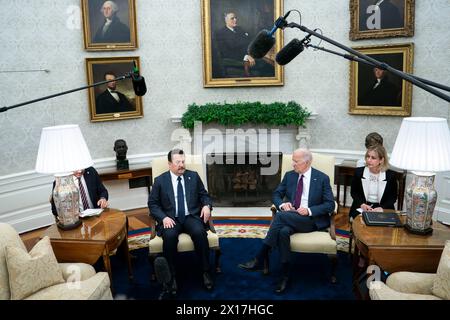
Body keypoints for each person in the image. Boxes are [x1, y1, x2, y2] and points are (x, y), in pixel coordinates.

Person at [239, 148, 335, 293]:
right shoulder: (290, 176)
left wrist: (309, 210)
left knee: (280, 216)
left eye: (296, 161)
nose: (293, 164)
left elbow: (330, 205)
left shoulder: (322, 178)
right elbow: (276, 194)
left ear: (307, 162)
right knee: (283, 232)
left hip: (311, 220)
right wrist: (282, 204)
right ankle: (285, 276)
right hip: (291, 217)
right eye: (292, 161)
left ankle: (260, 256)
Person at [148, 149, 214, 294]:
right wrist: (164, 217)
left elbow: (205, 196)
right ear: (170, 164)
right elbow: (152, 204)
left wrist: (207, 206)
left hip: (191, 216)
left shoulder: (193, 176)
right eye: (178, 162)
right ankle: (171, 276)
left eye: (183, 161)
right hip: (171, 218)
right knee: (170, 237)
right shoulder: (160, 181)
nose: (181, 165)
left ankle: (205, 271)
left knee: (199, 233)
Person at [214, 11, 274, 78]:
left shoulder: (240, 29)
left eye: (235, 18)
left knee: (270, 60)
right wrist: (245, 56)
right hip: (238, 59)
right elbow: (226, 53)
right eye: (232, 18)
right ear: (225, 20)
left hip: (252, 55)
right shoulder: (220, 33)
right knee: (268, 66)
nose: (235, 20)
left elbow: (251, 42)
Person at [349, 145, 398, 219]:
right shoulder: (359, 172)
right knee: (361, 223)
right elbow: (354, 193)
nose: (369, 160)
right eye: (368, 156)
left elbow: (392, 198)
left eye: (373, 158)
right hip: (362, 206)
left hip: (383, 207)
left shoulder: (390, 175)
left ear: (381, 160)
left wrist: (381, 208)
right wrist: (362, 204)